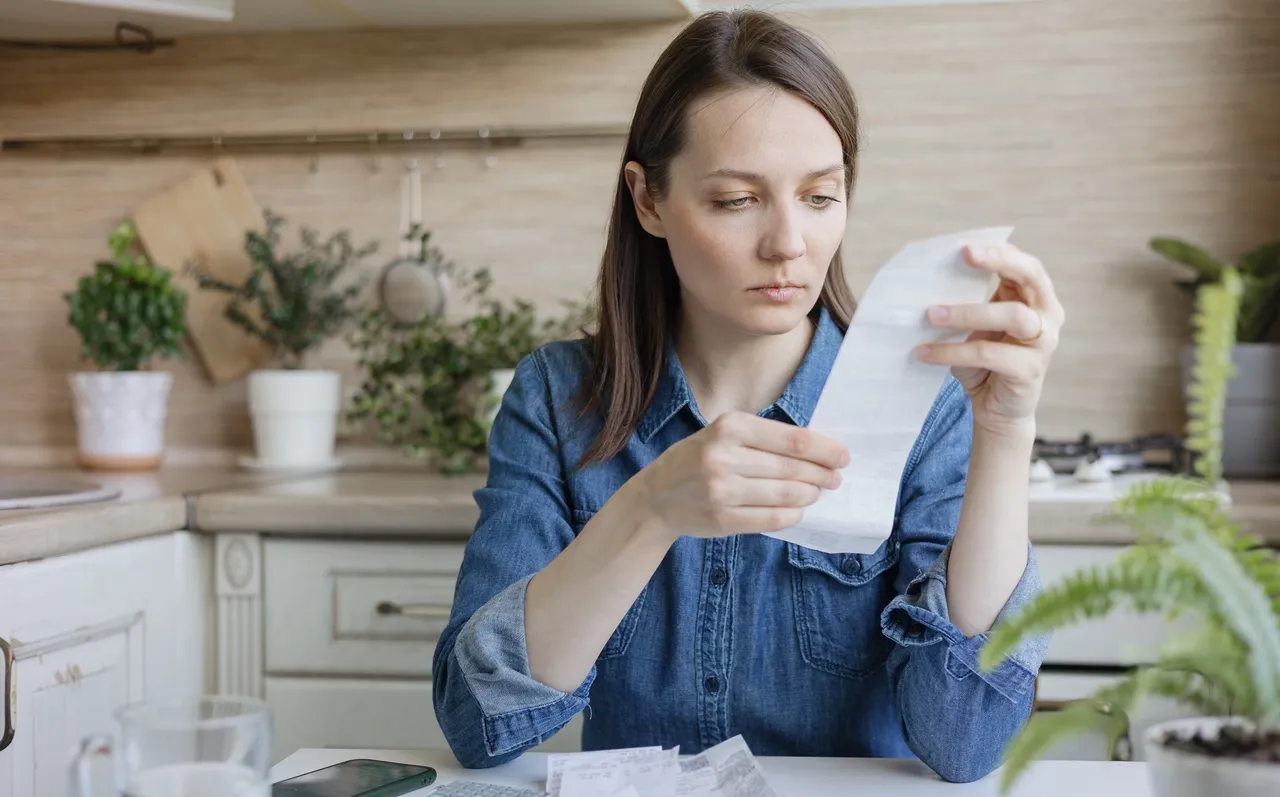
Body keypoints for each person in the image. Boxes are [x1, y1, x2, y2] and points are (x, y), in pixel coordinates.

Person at [431, 8, 1063, 784]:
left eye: (821, 197)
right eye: (737, 200)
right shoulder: (558, 397)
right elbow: (477, 723)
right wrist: (651, 506)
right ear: (649, 200)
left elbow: (966, 743)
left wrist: (1006, 428)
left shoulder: (926, 407)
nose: (788, 243)